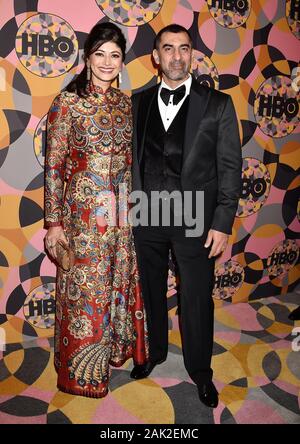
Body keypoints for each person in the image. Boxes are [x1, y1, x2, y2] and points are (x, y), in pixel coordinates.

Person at [129, 24, 242, 408]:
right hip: (147, 215)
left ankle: (200, 372)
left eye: (184, 48)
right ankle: (156, 352)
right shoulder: (137, 101)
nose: (177, 56)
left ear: (192, 54)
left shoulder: (218, 104)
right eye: (168, 48)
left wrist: (223, 222)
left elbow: (230, 168)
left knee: (196, 299)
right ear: (156, 56)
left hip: (196, 218)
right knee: (152, 291)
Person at [44, 22, 148, 398]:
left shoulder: (125, 102)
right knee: (85, 296)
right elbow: (54, 167)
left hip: (120, 218)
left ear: (122, 62)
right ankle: (80, 374)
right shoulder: (67, 103)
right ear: (87, 58)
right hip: (81, 219)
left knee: (114, 290)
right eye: (100, 54)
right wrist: (54, 225)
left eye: (115, 55)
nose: (107, 62)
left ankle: (110, 357)